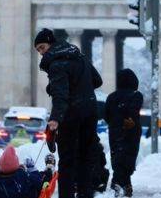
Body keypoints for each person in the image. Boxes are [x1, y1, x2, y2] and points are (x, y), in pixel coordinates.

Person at [34, 28, 102, 198]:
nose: (41, 53)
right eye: (38, 50)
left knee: (67, 161)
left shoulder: (56, 64)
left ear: (51, 43)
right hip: (90, 112)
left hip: (71, 115)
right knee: (86, 159)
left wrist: (55, 119)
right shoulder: (79, 57)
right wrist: (80, 88)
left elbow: (61, 95)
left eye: (42, 47)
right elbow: (97, 80)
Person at [105, 68, 143, 197]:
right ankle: (117, 183)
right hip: (131, 131)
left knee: (117, 158)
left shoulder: (111, 97)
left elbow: (106, 114)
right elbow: (134, 109)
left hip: (115, 132)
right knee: (128, 158)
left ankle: (125, 185)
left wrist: (115, 122)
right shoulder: (136, 95)